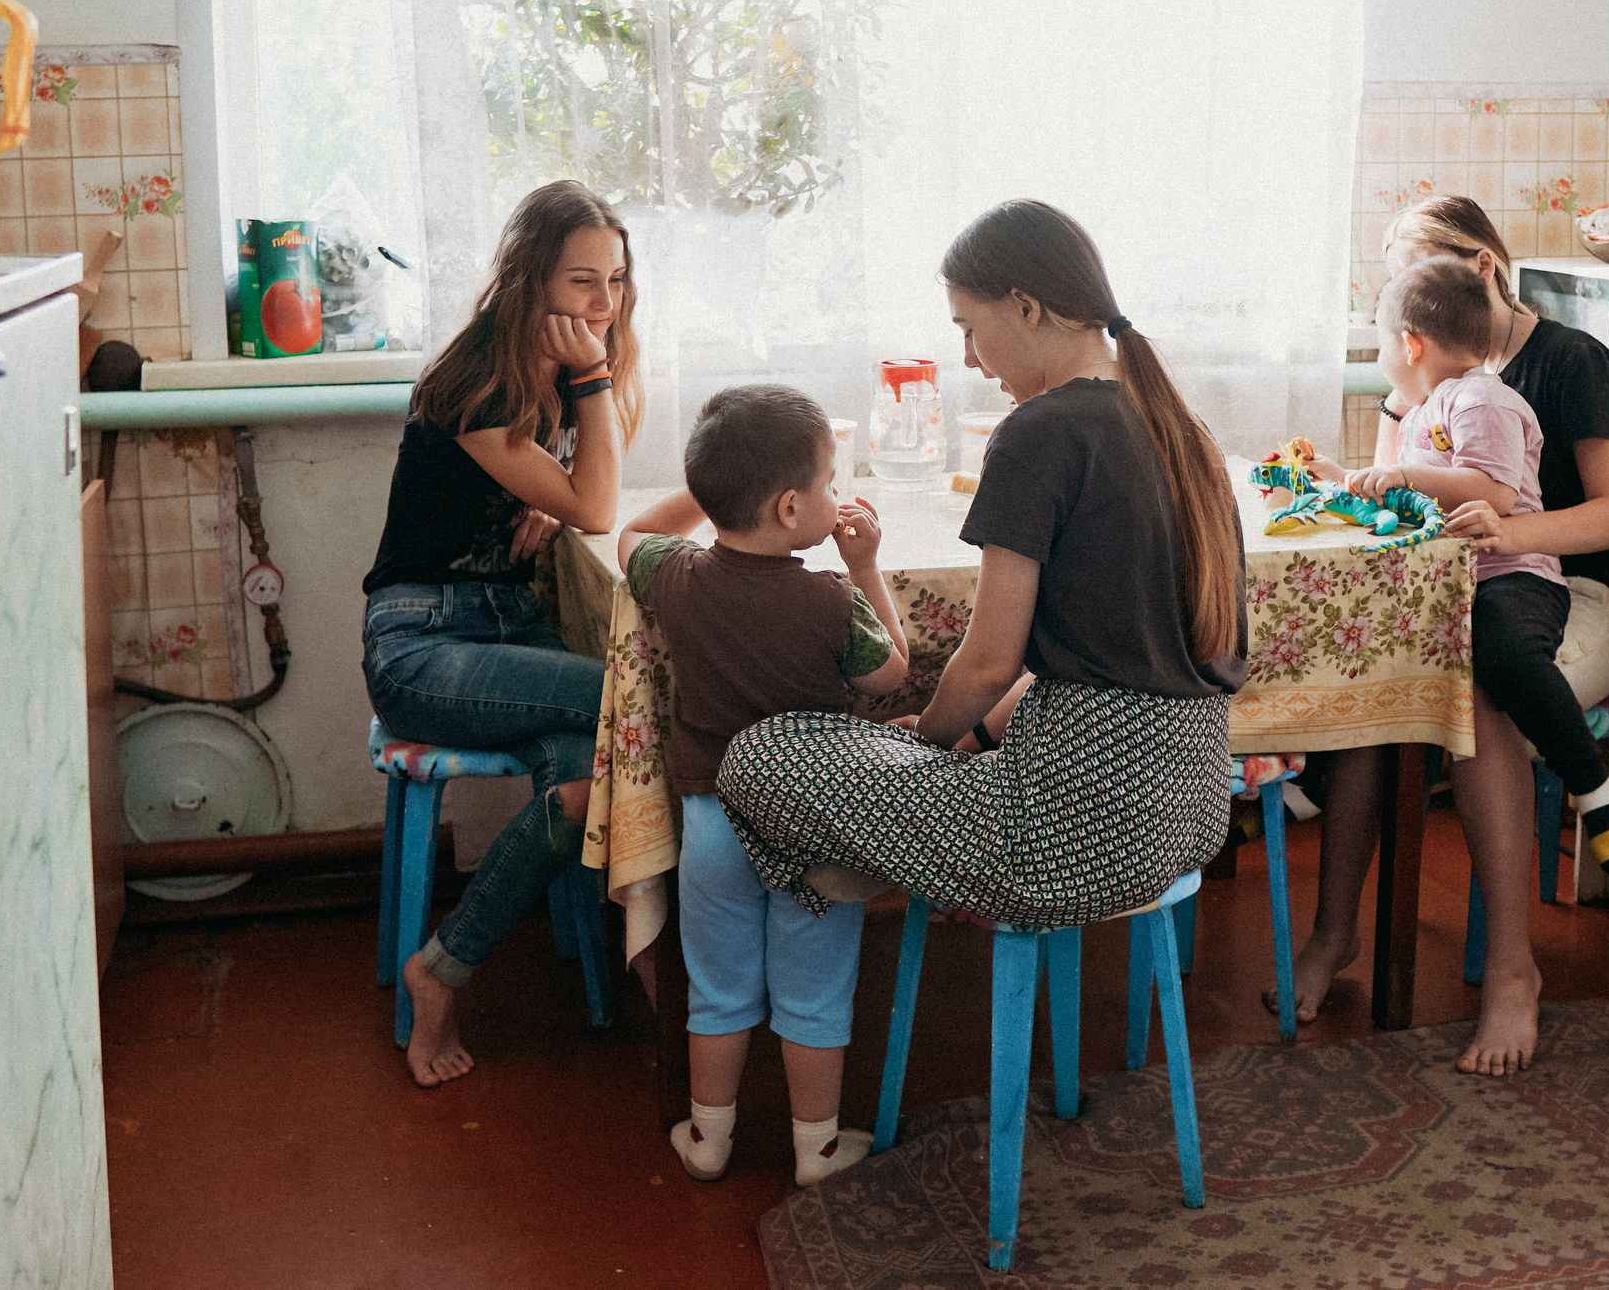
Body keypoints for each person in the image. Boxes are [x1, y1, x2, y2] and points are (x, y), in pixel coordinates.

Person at [715, 199, 1242, 932]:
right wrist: (976, 738)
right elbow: (1116, 658)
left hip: (1070, 836)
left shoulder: (1039, 431)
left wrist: (924, 746)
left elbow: (990, 664)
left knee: (758, 754)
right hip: (1192, 812)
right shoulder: (1183, 426)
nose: (967, 357)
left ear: (1025, 306)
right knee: (915, 747)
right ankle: (891, 848)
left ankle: (878, 856)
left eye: (968, 328)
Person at [1285, 194, 1609, 1076]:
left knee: (1475, 685)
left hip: (1573, 592)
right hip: (1466, 586)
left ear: (1480, 267)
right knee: (1380, 676)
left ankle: (1513, 971)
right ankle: (1334, 935)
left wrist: (1505, 532)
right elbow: (1400, 497)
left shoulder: (1571, 363)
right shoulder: (1427, 378)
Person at [361, 179, 641, 1087]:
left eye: (616, 282)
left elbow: (586, 496)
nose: (603, 305)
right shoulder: (480, 379)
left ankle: (440, 968)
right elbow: (603, 502)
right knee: (633, 701)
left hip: (508, 631)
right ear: (531, 281)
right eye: (582, 282)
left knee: (584, 777)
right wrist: (592, 393)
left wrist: (551, 508)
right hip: (423, 645)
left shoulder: (560, 372)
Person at [617, 385, 913, 1188]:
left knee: (717, 986)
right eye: (828, 482)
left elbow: (632, 534)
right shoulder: (829, 598)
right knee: (814, 988)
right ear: (790, 506)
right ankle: (814, 1146)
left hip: (711, 822)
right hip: (807, 822)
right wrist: (864, 563)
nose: (835, 494)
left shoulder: (675, 576)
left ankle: (709, 1136)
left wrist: (712, 489)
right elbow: (894, 669)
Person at [1346, 256, 1609, 866]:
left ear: (1410, 343)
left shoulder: (1482, 398)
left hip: (1517, 575)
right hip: (1457, 581)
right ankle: (1310, 798)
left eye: (1380, 344)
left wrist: (1403, 472)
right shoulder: (1426, 407)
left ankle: (1592, 789)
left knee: (1502, 650)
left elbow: (1497, 492)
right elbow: (1403, 498)